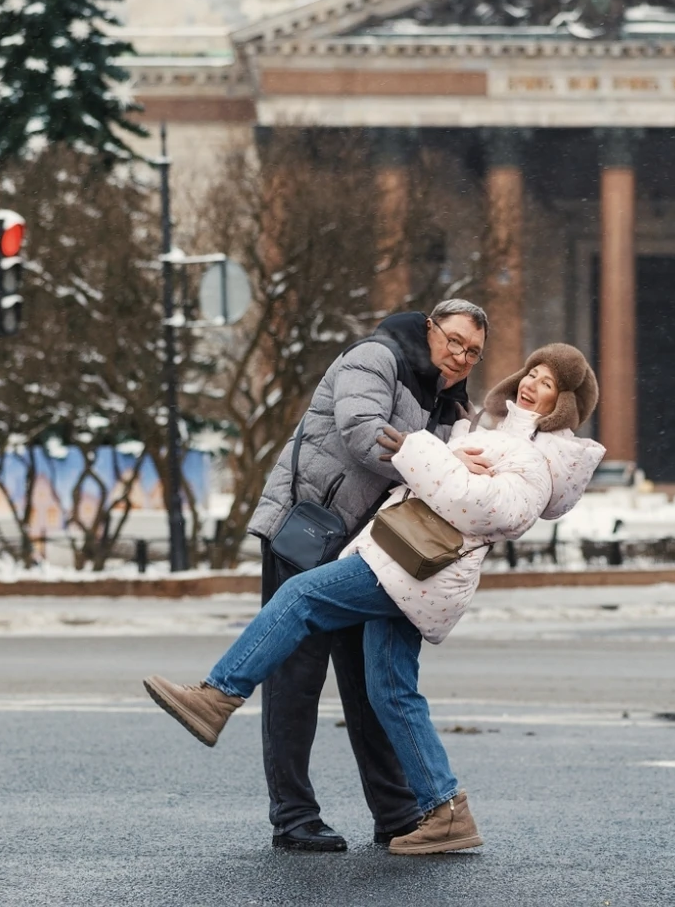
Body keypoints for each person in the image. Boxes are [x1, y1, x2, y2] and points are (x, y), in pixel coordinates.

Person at [144, 345, 605, 856]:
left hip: (413, 566)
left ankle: (217, 697)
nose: (530, 383)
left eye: (545, 383)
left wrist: (422, 450)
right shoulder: (497, 435)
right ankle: (446, 810)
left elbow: (492, 508)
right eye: (531, 372)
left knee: (301, 596)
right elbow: (453, 477)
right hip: (413, 562)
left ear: (561, 402)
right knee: (391, 690)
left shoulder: (536, 459)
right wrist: (449, 449)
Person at [239, 301, 489, 853]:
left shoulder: (449, 402)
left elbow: (464, 481)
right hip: (310, 531)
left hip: (374, 554)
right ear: (430, 329)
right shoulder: (375, 357)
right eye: (454, 341)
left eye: (473, 351)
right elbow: (362, 433)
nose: (461, 356)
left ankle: (396, 814)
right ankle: (294, 816)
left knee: (369, 684)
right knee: (295, 681)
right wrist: (438, 463)